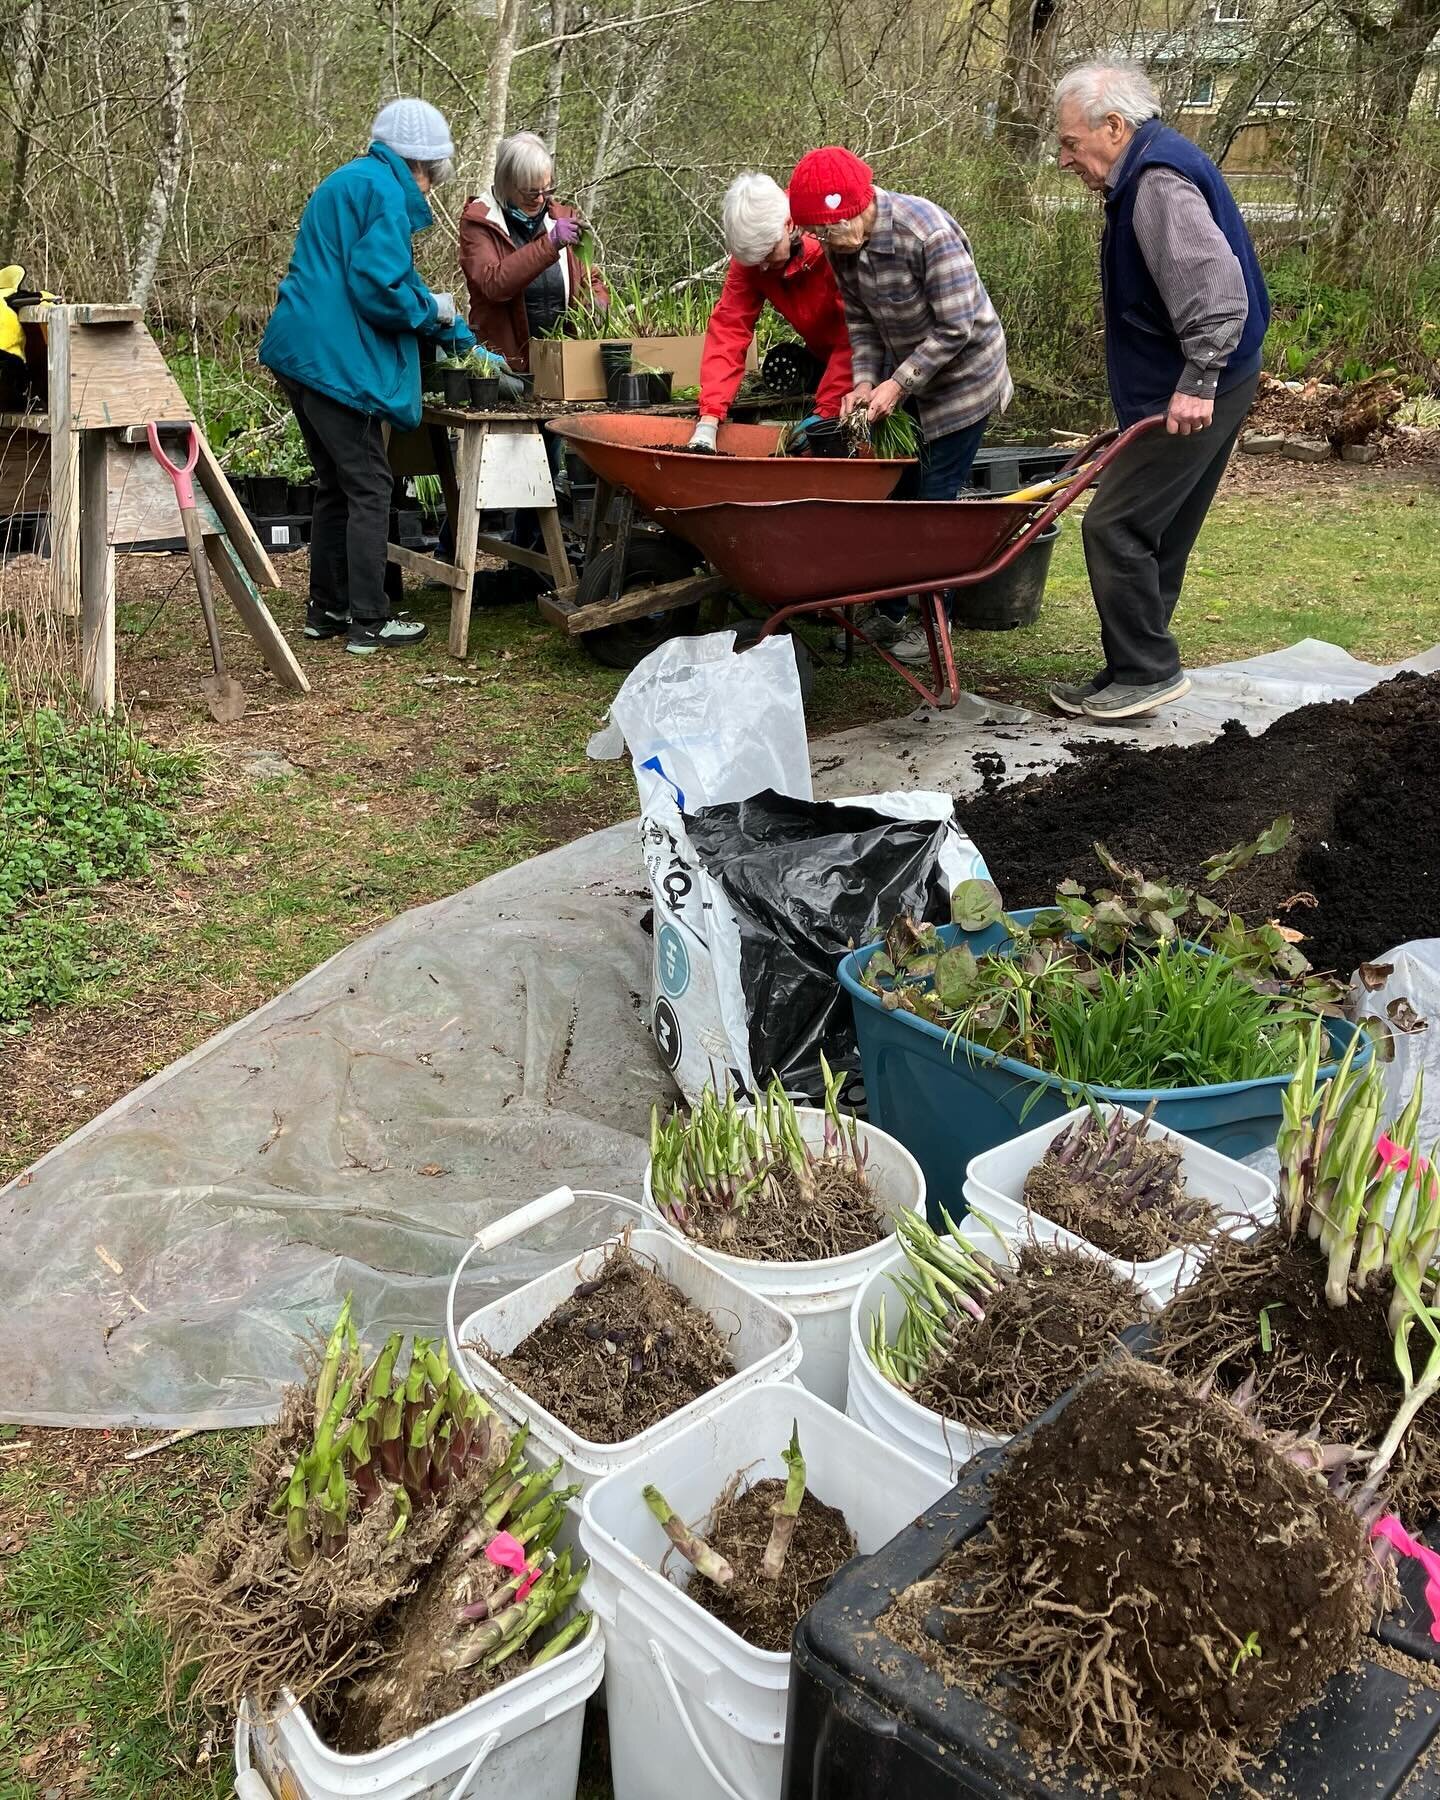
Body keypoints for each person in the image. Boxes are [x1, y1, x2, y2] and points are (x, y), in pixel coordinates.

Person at [1050, 62, 1270, 721]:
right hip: (1214, 376)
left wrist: (1197, 381)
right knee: (1158, 529)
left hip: (1208, 380)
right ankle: (1134, 667)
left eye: (1069, 143)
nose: (1065, 159)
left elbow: (1217, 293)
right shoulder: (1149, 166)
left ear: (1113, 127)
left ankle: (1147, 669)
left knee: (1113, 524)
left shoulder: (1156, 183)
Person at [260, 98, 475, 655]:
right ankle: (370, 619)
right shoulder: (385, 192)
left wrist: (447, 324)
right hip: (333, 361)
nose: (430, 190)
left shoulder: (348, 179)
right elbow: (379, 289)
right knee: (371, 485)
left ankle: (325, 609)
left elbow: (384, 275)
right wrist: (435, 313)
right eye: (433, 176)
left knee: (336, 484)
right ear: (421, 165)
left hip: (297, 351)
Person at [787, 144, 1013, 666]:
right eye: (816, 233)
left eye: (828, 229)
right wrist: (865, 382)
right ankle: (890, 611)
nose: (824, 241)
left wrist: (898, 383)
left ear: (854, 207)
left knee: (933, 504)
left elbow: (959, 326)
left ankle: (935, 623)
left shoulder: (924, 232)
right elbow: (862, 324)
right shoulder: (845, 248)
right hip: (903, 382)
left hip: (962, 384)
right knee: (895, 495)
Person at [459, 131, 608, 601]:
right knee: (495, 469)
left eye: (546, 188)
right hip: (504, 368)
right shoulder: (480, 224)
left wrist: (599, 306)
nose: (542, 199)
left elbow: (590, 278)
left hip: (556, 365)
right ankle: (454, 552)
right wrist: (548, 244)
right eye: (531, 192)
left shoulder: (560, 216)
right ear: (507, 185)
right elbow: (494, 284)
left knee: (547, 462)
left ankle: (529, 565)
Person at [688, 172, 852, 453]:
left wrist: (826, 410)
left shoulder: (834, 243)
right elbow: (728, 331)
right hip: (826, 358)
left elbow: (858, 333)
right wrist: (709, 417)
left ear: (787, 225)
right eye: (754, 261)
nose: (762, 268)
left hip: (875, 360)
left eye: (766, 256)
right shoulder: (754, 259)